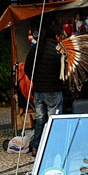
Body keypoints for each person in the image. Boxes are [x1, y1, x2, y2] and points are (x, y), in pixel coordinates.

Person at [26, 23, 66, 153]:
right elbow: (63, 72)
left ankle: (36, 146)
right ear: (56, 36)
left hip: (38, 89)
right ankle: (52, 147)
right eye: (61, 36)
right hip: (53, 90)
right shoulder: (58, 50)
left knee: (40, 119)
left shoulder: (36, 48)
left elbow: (27, 68)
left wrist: (36, 80)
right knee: (53, 120)